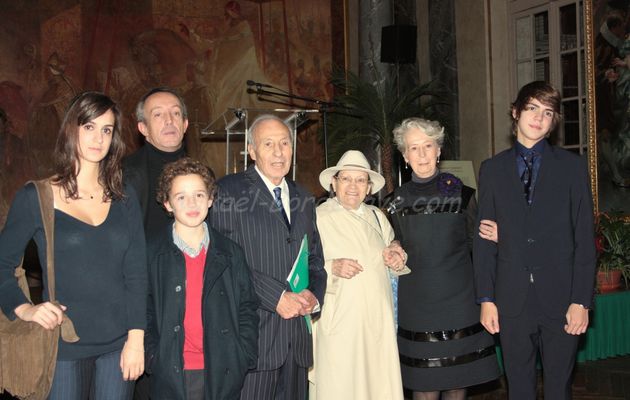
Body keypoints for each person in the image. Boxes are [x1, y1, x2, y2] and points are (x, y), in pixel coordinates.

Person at [0, 91, 147, 399]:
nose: (98, 138)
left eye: (106, 130)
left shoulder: (124, 196)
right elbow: (2, 264)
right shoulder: (37, 197)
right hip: (63, 345)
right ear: (71, 129)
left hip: (118, 345)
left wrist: (137, 339)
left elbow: (136, 273)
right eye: (89, 127)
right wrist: (25, 309)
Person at [473, 81, 597, 400]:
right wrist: (486, 298)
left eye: (547, 112)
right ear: (515, 112)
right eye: (531, 108)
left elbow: (584, 239)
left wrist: (581, 301)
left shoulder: (572, 168)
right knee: (519, 389)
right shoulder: (491, 170)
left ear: (553, 121)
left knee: (559, 388)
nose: (538, 118)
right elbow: (484, 240)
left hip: (561, 297)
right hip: (511, 299)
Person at [210, 114, 327, 400]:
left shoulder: (304, 196)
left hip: (297, 341)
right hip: (255, 340)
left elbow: (315, 259)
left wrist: (314, 295)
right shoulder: (228, 191)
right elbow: (222, 259)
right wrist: (275, 297)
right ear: (251, 150)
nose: (278, 152)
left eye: (284, 143)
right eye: (268, 144)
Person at [386, 117, 500, 400]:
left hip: (460, 305)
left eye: (428, 145)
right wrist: (392, 248)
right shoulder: (392, 203)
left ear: (439, 150)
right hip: (418, 309)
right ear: (405, 156)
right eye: (414, 148)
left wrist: (500, 237)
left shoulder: (465, 196)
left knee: (456, 385)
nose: (422, 154)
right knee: (424, 389)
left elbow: (482, 250)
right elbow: (389, 245)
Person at [146, 157, 260, 399]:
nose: (191, 203)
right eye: (181, 197)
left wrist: (243, 354)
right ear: (167, 203)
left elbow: (247, 306)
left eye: (199, 195)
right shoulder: (152, 253)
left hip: (221, 370)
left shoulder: (230, 252)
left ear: (210, 199)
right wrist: (154, 356)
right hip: (172, 370)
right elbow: (143, 309)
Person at [309, 150, 407, 400]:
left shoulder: (377, 217)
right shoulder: (316, 218)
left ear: (369, 187)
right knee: (340, 385)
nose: (353, 186)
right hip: (339, 323)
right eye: (346, 179)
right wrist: (331, 267)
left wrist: (396, 253)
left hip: (376, 324)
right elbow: (300, 267)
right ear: (334, 183)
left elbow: (392, 247)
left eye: (360, 180)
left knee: (378, 386)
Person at [123, 87, 189, 239]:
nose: (169, 120)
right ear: (143, 128)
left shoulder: (202, 175)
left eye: (176, 113)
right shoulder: (122, 174)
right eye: (158, 114)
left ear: (185, 125)